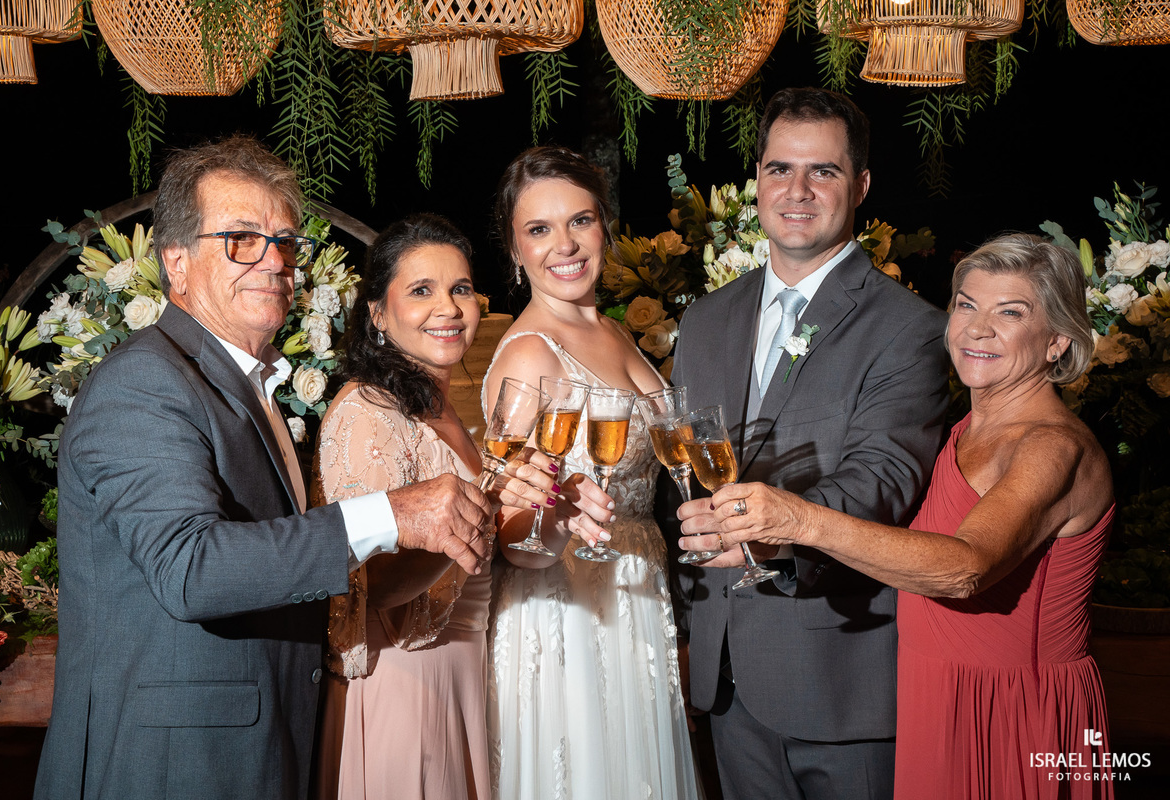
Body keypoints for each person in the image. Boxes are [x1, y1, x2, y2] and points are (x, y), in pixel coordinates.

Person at [34, 137, 494, 800]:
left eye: (284, 241)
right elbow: (191, 570)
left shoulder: (250, 386)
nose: (274, 260)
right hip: (169, 765)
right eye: (242, 239)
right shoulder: (143, 382)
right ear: (177, 262)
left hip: (255, 748)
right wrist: (391, 514)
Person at [680, 233, 1115, 800]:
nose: (977, 329)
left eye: (1010, 313)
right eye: (967, 305)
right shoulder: (966, 431)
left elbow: (966, 569)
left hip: (1009, 709)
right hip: (932, 696)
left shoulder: (1052, 446)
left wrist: (798, 520)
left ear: (1058, 340)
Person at [666, 87, 950, 799]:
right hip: (725, 680)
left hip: (837, 678)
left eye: (822, 171)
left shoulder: (907, 327)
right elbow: (682, 475)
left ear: (860, 185)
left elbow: (882, 479)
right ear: (757, 179)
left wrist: (772, 535)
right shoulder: (705, 320)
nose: (797, 190)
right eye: (779, 169)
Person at [310, 214, 573, 799]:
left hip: (463, 673)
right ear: (378, 313)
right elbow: (377, 585)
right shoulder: (367, 413)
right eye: (421, 291)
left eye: (460, 289)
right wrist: (488, 503)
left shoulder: (446, 408)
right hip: (404, 684)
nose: (448, 308)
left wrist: (549, 508)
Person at [483, 146, 701, 799]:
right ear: (515, 250)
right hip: (569, 615)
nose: (566, 245)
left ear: (604, 224)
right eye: (540, 229)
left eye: (580, 220)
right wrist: (557, 513)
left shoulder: (612, 330)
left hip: (639, 592)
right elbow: (509, 529)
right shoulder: (529, 352)